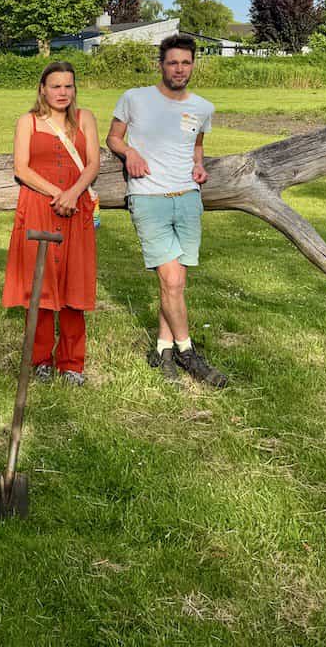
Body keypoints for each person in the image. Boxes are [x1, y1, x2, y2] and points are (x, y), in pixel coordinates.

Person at [106, 34, 228, 387]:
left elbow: (196, 146)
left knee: (174, 283)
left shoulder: (203, 107)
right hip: (149, 198)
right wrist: (129, 152)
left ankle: (163, 349)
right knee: (172, 281)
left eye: (185, 63)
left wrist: (199, 166)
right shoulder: (134, 98)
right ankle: (188, 352)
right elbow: (113, 137)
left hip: (188, 198)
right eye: (173, 62)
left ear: (193, 65)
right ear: (161, 65)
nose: (179, 69)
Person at [2, 61, 99, 385]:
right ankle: (40, 358)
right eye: (55, 86)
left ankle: (72, 363)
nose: (62, 92)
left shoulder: (85, 118)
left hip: (76, 208)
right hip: (39, 208)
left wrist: (73, 193)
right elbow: (21, 168)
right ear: (42, 89)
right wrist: (59, 194)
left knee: (74, 284)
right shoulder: (27, 121)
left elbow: (93, 164)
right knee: (39, 284)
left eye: (68, 86)